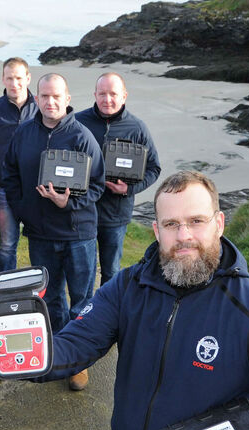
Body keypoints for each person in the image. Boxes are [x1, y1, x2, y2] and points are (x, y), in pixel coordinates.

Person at [0, 170, 249, 430]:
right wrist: (10, 348)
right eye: (171, 224)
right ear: (157, 231)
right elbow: (74, 345)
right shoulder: (128, 286)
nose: (184, 236)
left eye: (196, 221)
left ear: (219, 223)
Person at [1, 73, 104, 390]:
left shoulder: (82, 137)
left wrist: (68, 202)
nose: (50, 102)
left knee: (81, 300)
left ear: (67, 98)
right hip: (41, 235)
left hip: (78, 234)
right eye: (44, 96)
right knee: (52, 298)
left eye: (56, 96)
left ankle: (80, 362)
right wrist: (23, 210)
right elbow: (9, 174)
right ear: (37, 99)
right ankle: (61, 353)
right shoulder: (23, 134)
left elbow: (97, 185)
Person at [76, 72, 161, 286]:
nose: (107, 99)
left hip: (116, 214)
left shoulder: (137, 128)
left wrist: (128, 190)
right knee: (83, 271)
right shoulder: (78, 122)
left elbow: (154, 168)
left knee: (111, 271)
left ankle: (108, 306)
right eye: (102, 94)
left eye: (113, 94)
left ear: (124, 96)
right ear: (95, 95)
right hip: (82, 211)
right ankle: (85, 308)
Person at [0, 57, 38, 273]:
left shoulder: (42, 107)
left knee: (40, 243)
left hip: (37, 190)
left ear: (28, 78)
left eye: (19, 78)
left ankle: (40, 286)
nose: (15, 84)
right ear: (3, 79)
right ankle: (6, 288)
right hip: (4, 190)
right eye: (10, 78)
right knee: (7, 246)